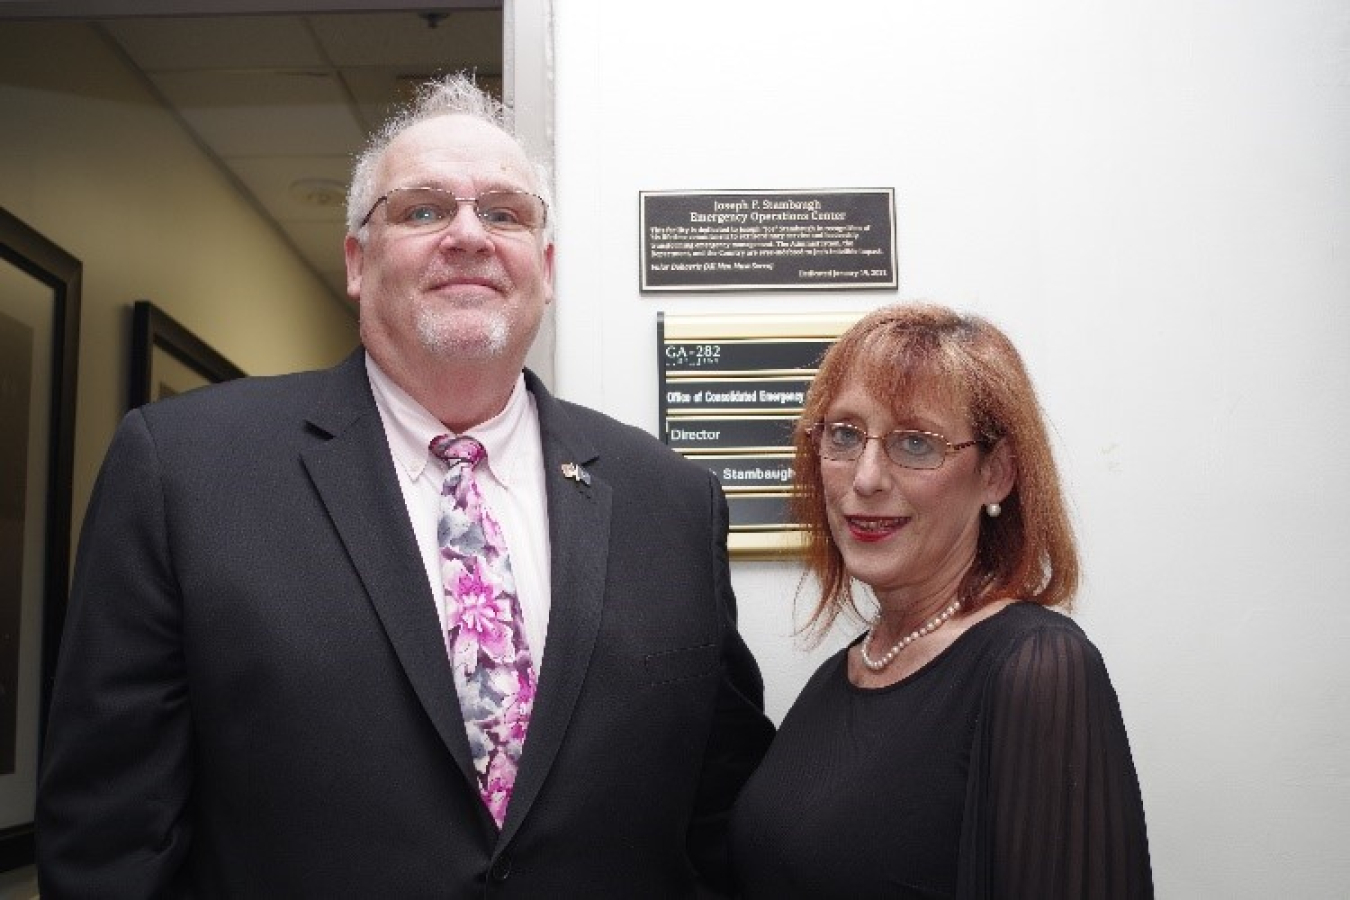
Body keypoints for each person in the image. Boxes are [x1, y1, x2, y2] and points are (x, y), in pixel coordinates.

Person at [36, 74, 774, 898]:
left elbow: (721, 817)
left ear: (547, 264)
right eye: (423, 209)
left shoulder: (668, 502)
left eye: (504, 213)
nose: (469, 235)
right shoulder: (184, 472)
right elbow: (108, 837)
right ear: (357, 260)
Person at [730, 303, 1152, 898]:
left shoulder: (1038, 671)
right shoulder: (843, 673)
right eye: (845, 435)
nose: (867, 477)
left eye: (916, 444)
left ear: (997, 473)